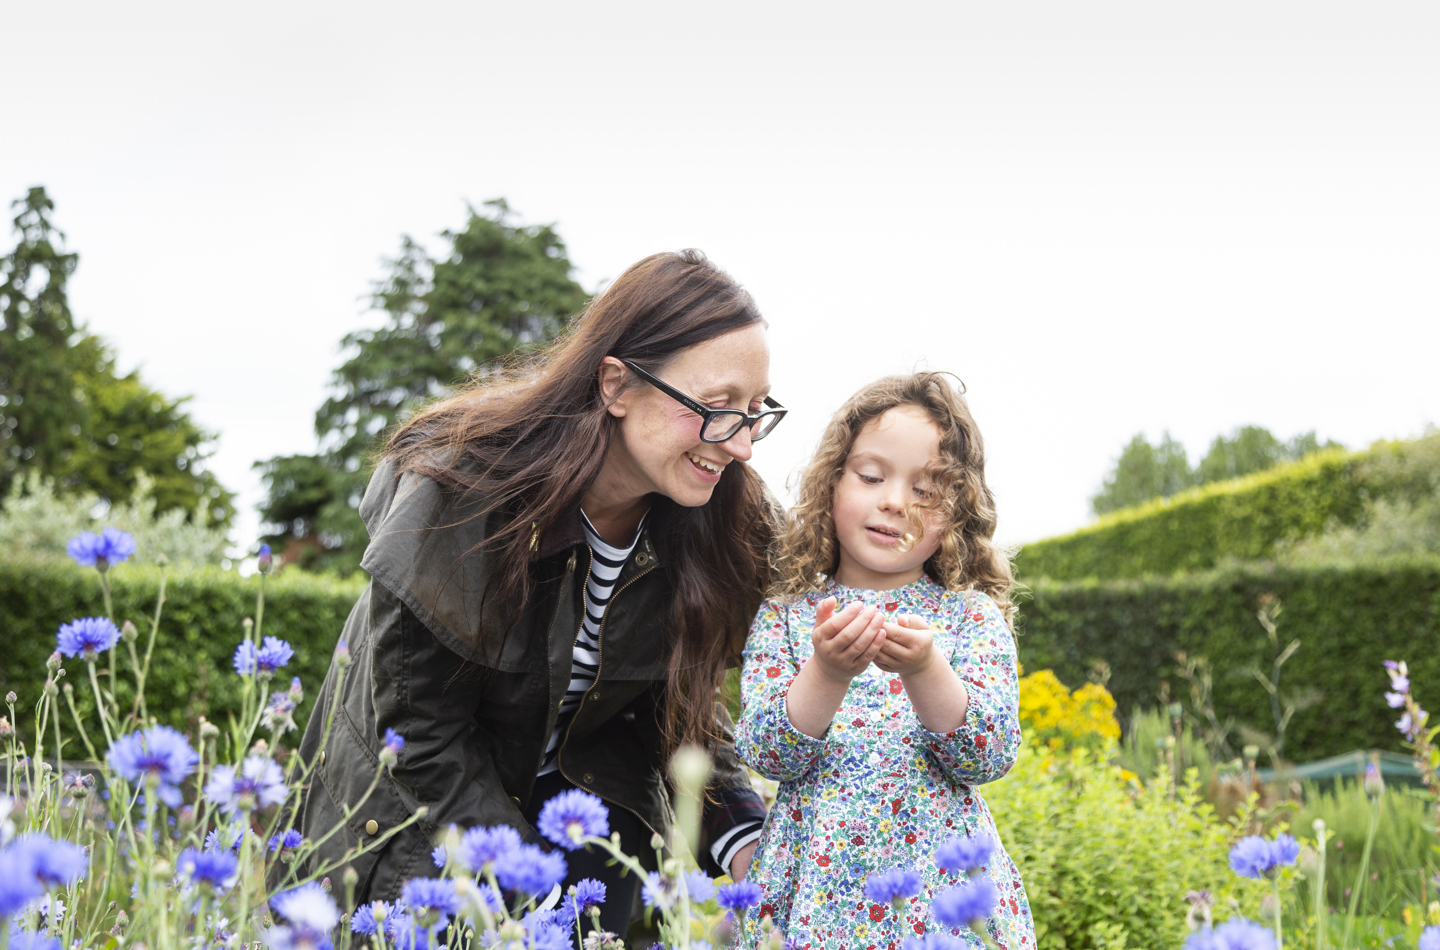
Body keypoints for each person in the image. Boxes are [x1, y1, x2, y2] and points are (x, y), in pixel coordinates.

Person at [289, 250, 785, 934]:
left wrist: (749, 840)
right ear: (616, 384)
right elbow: (418, 735)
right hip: (417, 835)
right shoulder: (461, 490)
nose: (742, 444)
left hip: (588, 833)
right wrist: (533, 894)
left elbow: (684, 718)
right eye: (717, 406)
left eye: (756, 412)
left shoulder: (720, 522)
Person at [733, 373, 1036, 950]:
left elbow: (987, 755)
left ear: (957, 513)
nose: (894, 501)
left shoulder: (969, 618)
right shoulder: (788, 617)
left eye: (926, 491)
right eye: (871, 476)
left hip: (939, 895)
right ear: (832, 483)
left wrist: (927, 671)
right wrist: (826, 673)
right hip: (816, 891)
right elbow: (767, 753)